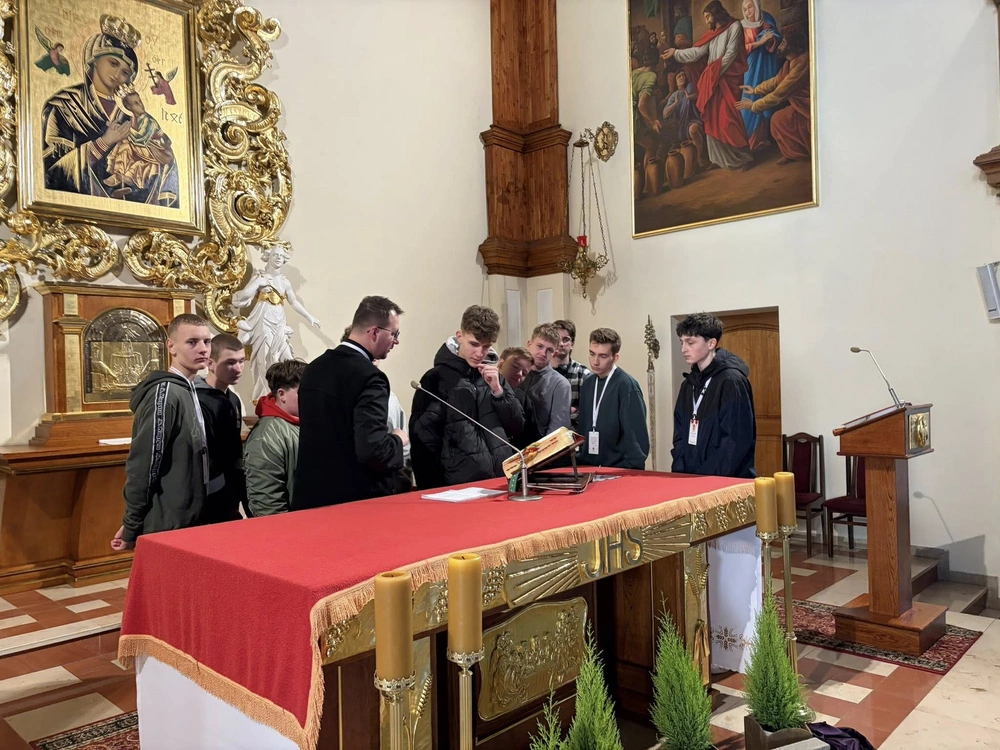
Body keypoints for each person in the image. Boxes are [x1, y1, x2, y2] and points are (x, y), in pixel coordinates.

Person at [670, 312, 759, 675]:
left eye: (691, 342)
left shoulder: (732, 382)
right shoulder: (690, 383)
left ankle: (732, 650)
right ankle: (705, 643)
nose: (684, 348)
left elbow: (736, 440)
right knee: (702, 570)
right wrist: (682, 472)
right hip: (693, 486)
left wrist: (709, 482)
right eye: (682, 341)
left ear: (712, 343)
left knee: (728, 574)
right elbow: (680, 432)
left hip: (724, 487)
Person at [41, 15, 180, 204]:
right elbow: (49, 173)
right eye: (113, 63)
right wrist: (103, 143)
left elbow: (165, 163)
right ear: (94, 60)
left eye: (125, 72)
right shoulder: (65, 107)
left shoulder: (130, 115)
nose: (117, 74)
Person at [292, 296, 407, 509]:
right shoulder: (370, 377)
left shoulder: (314, 368)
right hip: (354, 501)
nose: (396, 341)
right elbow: (373, 451)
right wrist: (398, 440)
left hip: (311, 497)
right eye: (394, 334)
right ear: (375, 332)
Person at [111, 314, 214, 551]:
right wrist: (132, 524)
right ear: (171, 346)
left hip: (192, 518)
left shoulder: (189, 389)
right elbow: (144, 465)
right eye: (192, 342)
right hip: (168, 522)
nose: (203, 349)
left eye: (207, 342)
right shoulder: (166, 393)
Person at [410, 305, 524, 488]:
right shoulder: (435, 379)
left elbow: (517, 427)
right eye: (474, 344)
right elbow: (423, 442)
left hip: (501, 481)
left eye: (486, 346)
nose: (479, 353)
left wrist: (499, 392)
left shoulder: (495, 377)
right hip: (458, 486)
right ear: (459, 336)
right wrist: (431, 491)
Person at [663, 1, 753, 171]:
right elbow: (696, 52)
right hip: (713, 80)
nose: (706, 21)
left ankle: (743, 157)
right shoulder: (712, 34)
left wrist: (714, 73)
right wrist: (676, 52)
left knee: (728, 118)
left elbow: (731, 53)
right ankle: (717, 159)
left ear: (716, 13)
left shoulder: (734, 27)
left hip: (727, 78)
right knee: (711, 117)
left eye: (707, 16)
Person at [232, 243, 321, 404]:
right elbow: (243, 297)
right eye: (275, 255)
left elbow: (293, 301)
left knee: (285, 358)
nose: (278, 258)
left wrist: (309, 317)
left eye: (281, 256)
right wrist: (257, 283)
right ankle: (265, 395)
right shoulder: (260, 276)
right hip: (263, 319)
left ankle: (285, 393)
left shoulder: (285, 282)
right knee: (264, 356)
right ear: (268, 257)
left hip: (279, 321)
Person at [578, 328, 649, 469]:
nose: (595, 361)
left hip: (618, 468)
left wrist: (628, 468)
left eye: (603, 356)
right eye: (592, 354)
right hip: (589, 466)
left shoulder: (626, 386)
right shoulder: (588, 383)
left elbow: (636, 437)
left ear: (615, 358)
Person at [736, 32, 811, 164]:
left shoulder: (802, 63)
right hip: (800, 107)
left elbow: (778, 94)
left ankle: (807, 154)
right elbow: (776, 81)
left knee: (784, 120)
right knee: (778, 119)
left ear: (793, 46)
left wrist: (753, 106)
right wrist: (755, 90)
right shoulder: (790, 62)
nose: (780, 46)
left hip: (808, 108)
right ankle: (792, 153)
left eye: (784, 43)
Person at [195, 334, 248, 523]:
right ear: (210, 363)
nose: (238, 369)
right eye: (230, 363)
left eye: (241, 361)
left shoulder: (233, 398)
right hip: (208, 493)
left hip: (231, 489)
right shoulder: (198, 399)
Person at [244, 359, 306, 517]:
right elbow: (267, 502)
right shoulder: (266, 436)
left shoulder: (307, 422)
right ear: (282, 394)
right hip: (290, 524)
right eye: (303, 392)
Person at [103, 89, 176, 201]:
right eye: (135, 103)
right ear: (129, 107)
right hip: (146, 148)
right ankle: (120, 174)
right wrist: (121, 129)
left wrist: (124, 130)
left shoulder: (149, 120)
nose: (140, 105)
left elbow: (140, 138)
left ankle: (126, 176)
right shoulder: (134, 119)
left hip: (159, 150)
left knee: (126, 145)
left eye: (140, 101)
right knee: (124, 144)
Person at [739, 0, 782, 151]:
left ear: (756, 6)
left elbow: (774, 35)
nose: (747, 12)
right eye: (745, 9)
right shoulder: (741, 27)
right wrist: (759, 42)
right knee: (749, 98)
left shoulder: (766, 18)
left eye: (750, 7)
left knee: (767, 95)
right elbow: (739, 49)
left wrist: (770, 38)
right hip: (751, 66)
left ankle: (764, 139)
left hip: (767, 64)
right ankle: (750, 142)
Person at [519, 323, 571, 437]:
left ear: (554, 354)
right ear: (529, 344)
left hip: (542, 444)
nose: (543, 353)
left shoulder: (560, 384)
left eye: (549, 350)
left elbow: (557, 429)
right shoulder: (516, 374)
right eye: (540, 346)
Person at [552, 320, 592, 431]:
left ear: (572, 344)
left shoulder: (583, 374)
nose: (561, 344)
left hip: (574, 434)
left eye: (566, 340)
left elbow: (588, 411)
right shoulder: (542, 373)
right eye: (557, 339)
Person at [498, 346, 539, 448]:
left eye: (525, 373)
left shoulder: (523, 399)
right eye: (515, 367)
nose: (520, 374)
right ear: (501, 363)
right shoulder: (479, 389)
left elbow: (532, 438)